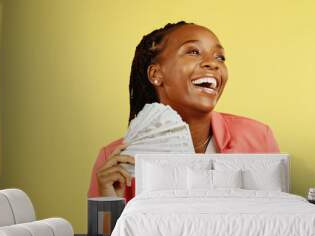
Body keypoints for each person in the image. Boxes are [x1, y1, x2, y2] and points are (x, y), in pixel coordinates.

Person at [88, 21, 280, 201]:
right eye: (193, 52)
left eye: (219, 57)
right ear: (156, 74)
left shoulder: (258, 138)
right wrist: (107, 200)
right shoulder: (116, 160)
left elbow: (280, 221)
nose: (212, 63)